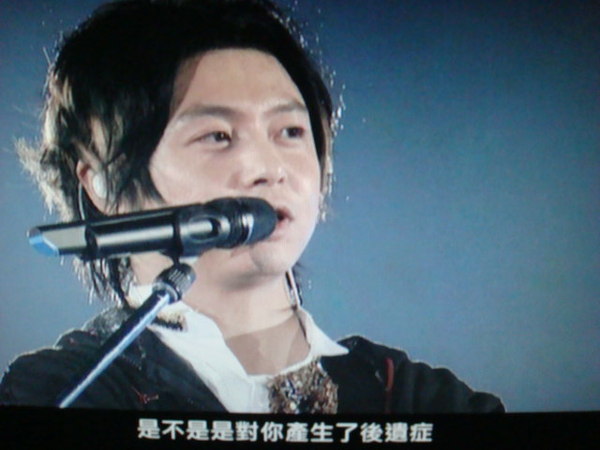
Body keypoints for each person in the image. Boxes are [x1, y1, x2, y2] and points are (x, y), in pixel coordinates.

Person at [0, 0, 503, 413]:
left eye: (290, 131)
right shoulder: (60, 390)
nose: (269, 168)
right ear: (100, 181)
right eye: (217, 136)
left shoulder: (417, 398)